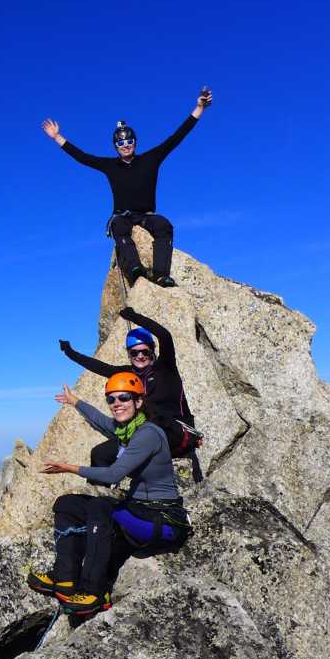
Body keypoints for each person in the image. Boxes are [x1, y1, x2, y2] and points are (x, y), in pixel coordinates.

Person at [26, 372, 191, 615]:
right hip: (139, 511)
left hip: (161, 520)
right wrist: (76, 402)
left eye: (124, 398)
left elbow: (114, 474)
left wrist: (71, 468)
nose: (117, 404)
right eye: (111, 400)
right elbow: (102, 422)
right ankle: (65, 576)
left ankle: (94, 591)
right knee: (67, 504)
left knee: (101, 507)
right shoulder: (127, 430)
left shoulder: (148, 434)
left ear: (138, 401)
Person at [41, 87, 212, 288]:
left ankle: (161, 275)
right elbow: (83, 157)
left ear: (135, 142)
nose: (126, 145)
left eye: (129, 141)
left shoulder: (151, 159)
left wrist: (199, 109)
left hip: (146, 215)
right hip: (122, 216)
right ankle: (134, 270)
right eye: (121, 142)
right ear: (116, 146)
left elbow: (177, 137)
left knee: (164, 225)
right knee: (119, 226)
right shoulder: (110, 166)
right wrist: (57, 138)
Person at [59, 307, 201, 471]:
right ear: (129, 354)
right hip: (147, 434)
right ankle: (100, 493)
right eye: (134, 353)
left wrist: (133, 316)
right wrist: (70, 352)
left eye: (144, 352)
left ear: (152, 351)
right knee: (100, 454)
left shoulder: (165, 368)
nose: (140, 356)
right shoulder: (128, 375)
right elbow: (99, 367)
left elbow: (165, 336)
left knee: (149, 425)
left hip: (176, 432)